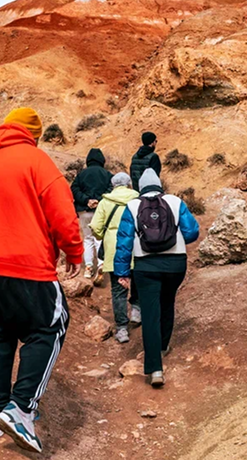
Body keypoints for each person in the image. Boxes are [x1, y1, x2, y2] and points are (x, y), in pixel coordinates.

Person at [0, 107, 83, 454]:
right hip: (24, 266)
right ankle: (21, 409)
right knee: (50, 327)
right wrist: (73, 251)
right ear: (34, 134)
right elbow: (63, 211)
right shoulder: (36, 160)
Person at [113, 168, 199, 388]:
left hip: (145, 265)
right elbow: (192, 232)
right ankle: (163, 345)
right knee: (167, 301)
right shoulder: (175, 202)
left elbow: (123, 242)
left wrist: (122, 272)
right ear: (159, 185)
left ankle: (155, 369)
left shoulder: (132, 206)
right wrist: (172, 237)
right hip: (175, 263)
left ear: (140, 188)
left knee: (150, 313)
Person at [90, 172, 142, 344]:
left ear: (113, 185)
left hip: (114, 248)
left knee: (118, 289)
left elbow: (96, 227)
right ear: (129, 184)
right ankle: (136, 309)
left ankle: (121, 329)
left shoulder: (105, 202)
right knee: (136, 279)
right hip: (136, 245)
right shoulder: (138, 200)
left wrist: (103, 236)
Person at [70, 148, 112, 279]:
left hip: (84, 211)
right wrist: (99, 200)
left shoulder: (81, 174)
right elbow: (111, 189)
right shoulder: (107, 174)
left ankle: (88, 267)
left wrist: (86, 200)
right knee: (99, 237)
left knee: (87, 238)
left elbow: (74, 189)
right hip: (101, 211)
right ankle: (101, 264)